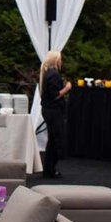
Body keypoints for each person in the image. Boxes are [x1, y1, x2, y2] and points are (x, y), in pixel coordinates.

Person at [39, 50, 72, 179]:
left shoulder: (49, 73)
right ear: (56, 60)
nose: (61, 61)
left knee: (52, 139)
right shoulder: (53, 74)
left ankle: (49, 169)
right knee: (56, 139)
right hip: (53, 111)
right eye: (60, 59)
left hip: (49, 110)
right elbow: (55, 95)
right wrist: (67, 88)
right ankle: (50, 168)